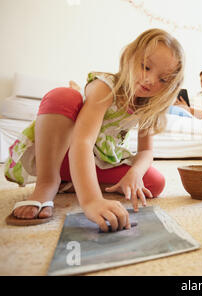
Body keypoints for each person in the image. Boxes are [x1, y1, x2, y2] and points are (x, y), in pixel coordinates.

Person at [4, 28, 185, 232]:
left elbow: (146, 151)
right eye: (145, 67)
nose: (150, 80)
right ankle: (48, 183)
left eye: (163, 79)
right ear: (130, 58)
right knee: (63, 96)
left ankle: (72, 181)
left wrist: (134, 173)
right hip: (63, 154)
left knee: (154, 184)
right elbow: (83, 142)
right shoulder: (105, 87)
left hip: (100, 159)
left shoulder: (148, 106)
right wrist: (91, 200)